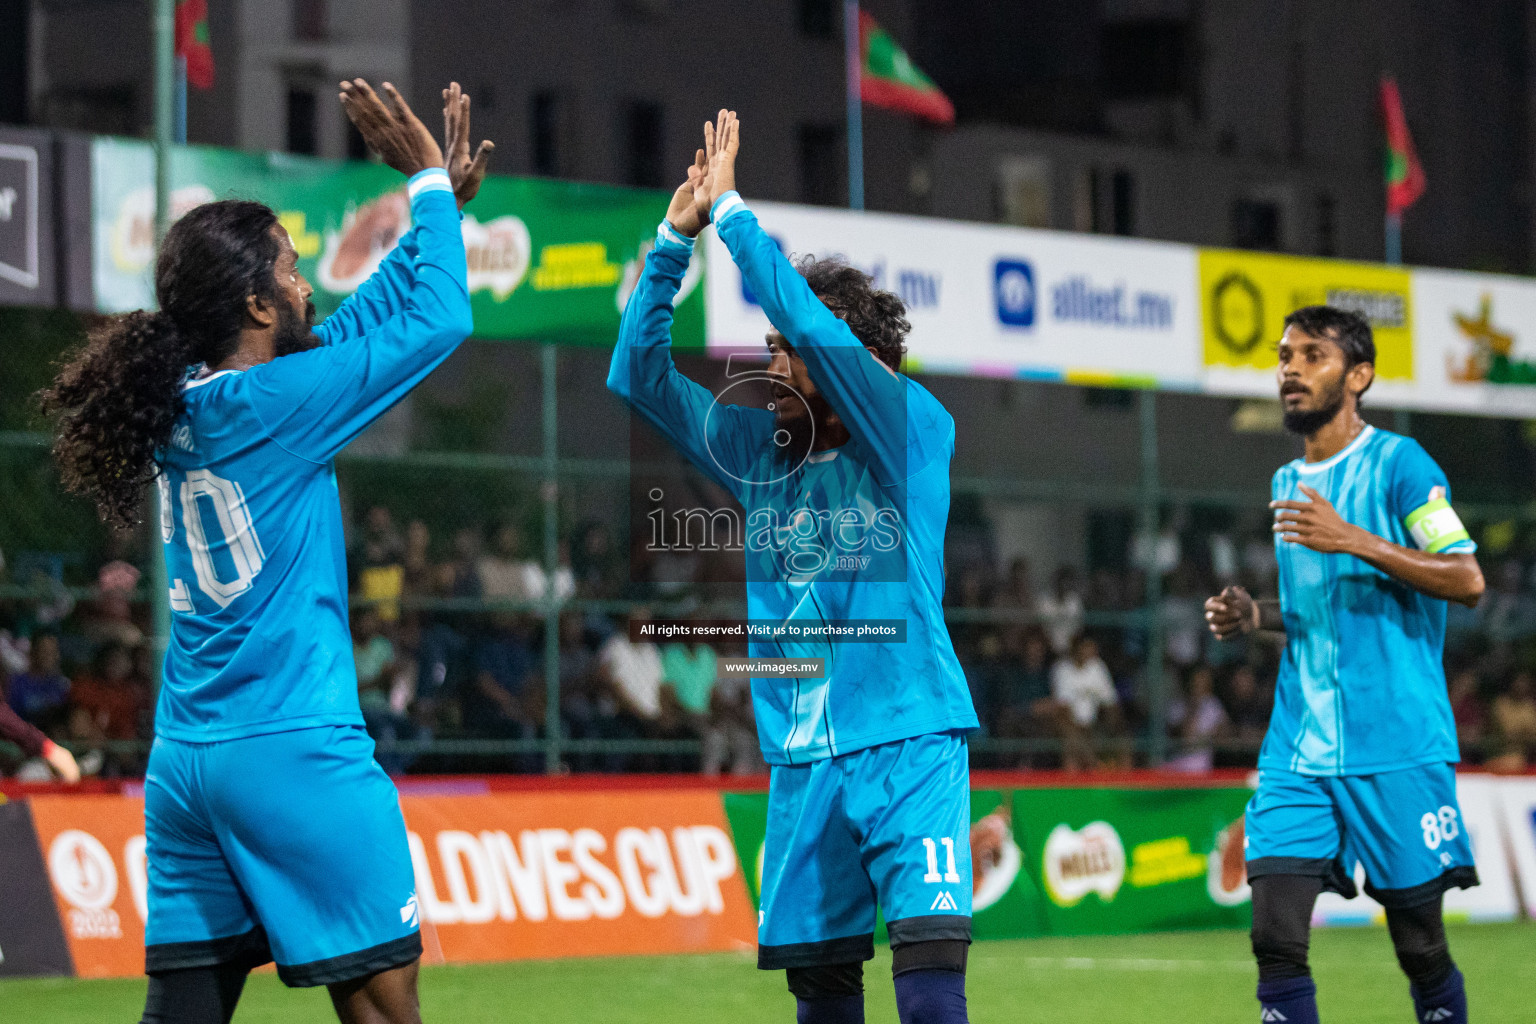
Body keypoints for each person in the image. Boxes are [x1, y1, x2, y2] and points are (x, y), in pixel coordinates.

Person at [39, 79, 489, 1024]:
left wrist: (439, 216)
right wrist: (426, 183)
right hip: (295, 753)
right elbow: (442, 320)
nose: (304, 283)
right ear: (252, 301)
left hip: (189, 763)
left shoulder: (189, 403)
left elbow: (354, 329)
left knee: (184, 1015)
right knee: (383, 1009)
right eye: (287, 271)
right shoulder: (281, 407)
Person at [609, 110, 977, 1024]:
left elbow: (813, 331)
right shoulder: (761, 448)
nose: (771, 368)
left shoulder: (907, 427)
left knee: (930, 999)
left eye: (785, 355)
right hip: (801, 760)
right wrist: (671, 241)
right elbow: (637, 374)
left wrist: (736, 216)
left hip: (906, 738)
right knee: (823, 1002)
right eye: (768, 353)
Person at [1204, 305, 1485, 1024]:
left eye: (1312, 355)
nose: (1290, 368)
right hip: (1298, 749)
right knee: (1274, 936)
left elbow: (1466, 578)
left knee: (1420, 945)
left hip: (1394, 745)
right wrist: (1256, 617)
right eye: (1284, 355)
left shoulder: (1401, 465)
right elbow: (1317, 613)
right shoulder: (1285, 479)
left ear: (1358, 376)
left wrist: (1355, 538)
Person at [1048, 634, 1122, 771]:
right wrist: (1082, 731)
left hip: (1093, 724)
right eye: (1087, 648)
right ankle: (1077, 783)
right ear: (1077, 648)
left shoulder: (1098, 666)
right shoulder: (1062, 669)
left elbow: (1110, 702)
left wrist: (1113, 726)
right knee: (1072, 740)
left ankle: (1122, 787)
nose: (1091, 652)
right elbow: (1063, 709)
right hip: (1068, 724)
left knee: (1123, 740)